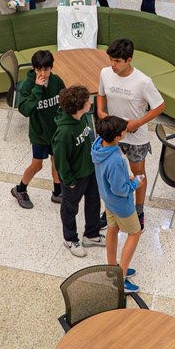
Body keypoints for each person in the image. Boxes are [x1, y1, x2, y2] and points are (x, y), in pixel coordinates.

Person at [97, 38, 166, 229]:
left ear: (129, 59)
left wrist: (138, 122)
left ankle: (139, 210)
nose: (112, 65)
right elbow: (101, 94)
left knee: (138, 174)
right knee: (111, 172)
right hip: (112, 135)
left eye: (117, 61)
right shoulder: (105, 73)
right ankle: (110, 209)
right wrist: (101, 112)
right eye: (111, 60)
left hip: (136, 138)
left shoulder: (143, 82)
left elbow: (160, 106)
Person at [54, 85, 105, 258]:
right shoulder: (64, 133)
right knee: (70, 208)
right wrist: (69, 181)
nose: (90, 102)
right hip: (74, 178)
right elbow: (60, 162)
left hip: (89, 170)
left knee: (93, 202)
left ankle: (91, 234)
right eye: (87, 101)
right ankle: (70, 238)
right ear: (78, 106)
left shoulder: (82, 118)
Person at [93, 115, 143, 291]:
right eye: (123, 131)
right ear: (116, 137)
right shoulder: (114, 160)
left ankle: (112, 268)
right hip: (121, 204)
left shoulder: (98, 144)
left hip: (107, 200)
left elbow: (111, 180)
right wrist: (135, 183)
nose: (125, 131)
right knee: (135, 233)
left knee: (112, 230)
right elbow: (120, 189)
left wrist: (123, 178)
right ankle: (120, 278)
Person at [12, 50, 65, 209]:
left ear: (51, 68)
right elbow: (25, 110)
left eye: (46, 69)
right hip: (39, 134)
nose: (43, 73)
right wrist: (37, 88)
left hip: (55, 132)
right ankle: (20, 189)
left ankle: (57, 192)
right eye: (39, 69)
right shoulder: (27, 86)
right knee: (37, 165)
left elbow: (64, 101)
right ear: (34, 69)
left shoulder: (56, 81)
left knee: (56, 162)